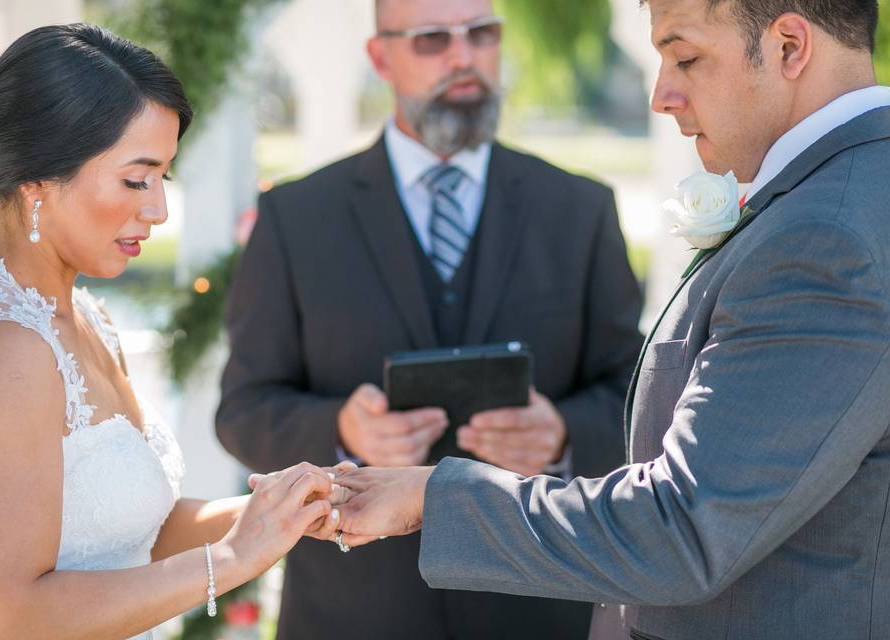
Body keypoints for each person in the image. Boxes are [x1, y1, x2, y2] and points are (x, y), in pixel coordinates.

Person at [329, 1, 890, 639]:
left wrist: (431, 495)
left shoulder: (827, 233)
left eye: (685, 57)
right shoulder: (849, 192)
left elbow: (685, 527)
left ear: (790, 47)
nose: (660, 95)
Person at [215, 0, 643, 637]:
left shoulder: (579, 209)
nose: (463, 56)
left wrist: (562, 436)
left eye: (482, 33)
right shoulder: (296, 218)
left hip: (535, 607)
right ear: (379, 56)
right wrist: (340, 434)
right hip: (350, 614)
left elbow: (635, 395)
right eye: (431, 39)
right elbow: (243, 410)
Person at [0, 24, 340, 640]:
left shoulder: (84, 317)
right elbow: (11, 617)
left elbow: (126, 539)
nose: (157, 210)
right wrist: (229, 561)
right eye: (134, 179)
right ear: (36, 174)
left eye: (162, 178)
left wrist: (291, 509)